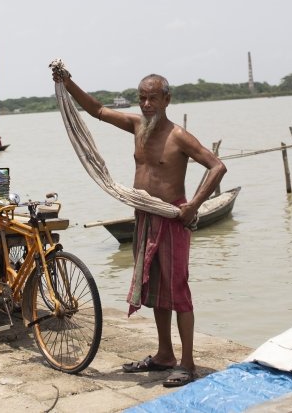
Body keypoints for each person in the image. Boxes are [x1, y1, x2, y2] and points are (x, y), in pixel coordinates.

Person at [52, 68, 226, 388]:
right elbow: (97, 110)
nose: (146, 104)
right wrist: (67, 82)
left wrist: (194, 206)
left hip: (171, 219)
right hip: (144, 217)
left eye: (153, 99)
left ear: (167, 100)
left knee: (178, 293)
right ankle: (164, 355)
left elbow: (217, 166)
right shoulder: (137, 126)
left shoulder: (179, 136)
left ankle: (187, 364)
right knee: (157, 290)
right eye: (142, 98)